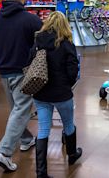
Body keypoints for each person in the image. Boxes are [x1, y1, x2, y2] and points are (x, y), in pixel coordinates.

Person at [0, 0, 41, 172]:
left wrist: (4, 57)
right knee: (20, 110)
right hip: (23, 71)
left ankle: (26, 139)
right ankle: (5, 152)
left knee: (16, 109)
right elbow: (42, 42)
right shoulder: (31, 20)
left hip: (4, 71)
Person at [32, 11, 82, 178]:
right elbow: (73, 70)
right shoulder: (67, 43)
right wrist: (67, 84)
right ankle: (72, 155)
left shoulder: (38, 40)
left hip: (40, 92)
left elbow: (30, 62)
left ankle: (41, 172)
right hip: (61, 93)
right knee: (68, 125)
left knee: (43, 128)